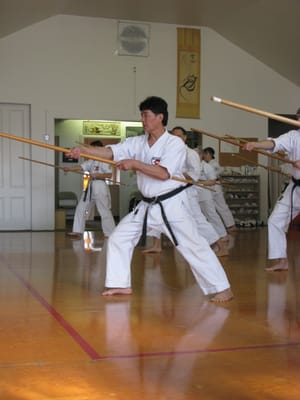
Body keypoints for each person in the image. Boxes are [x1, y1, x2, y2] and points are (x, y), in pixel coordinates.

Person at [68, 96, 233, 302]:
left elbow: (163, 173)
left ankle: (222, 288)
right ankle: (120, 284)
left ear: (160, 117)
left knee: (192, 245)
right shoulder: (137, 142)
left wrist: (135, 164)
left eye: (146, 115)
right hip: (147, 205)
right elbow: (110, 152)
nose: (142, 119)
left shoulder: (174, 144)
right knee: (120, 238)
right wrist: (85, 151)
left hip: (172, 205)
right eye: (142, 115)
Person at [243, 107, 300, 271]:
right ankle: (282, 260)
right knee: (275, 220)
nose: (298, 121)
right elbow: (275, 143)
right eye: (297, 117)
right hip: (295, 187)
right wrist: (257, 144)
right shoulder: (293, 136)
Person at [64, 140, 116, 238]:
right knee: (81, 207)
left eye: (93, 149)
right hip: (91, 185)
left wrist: (98, 175)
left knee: (104, 209)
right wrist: (69, 169)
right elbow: (81, 167)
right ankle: (77, 231)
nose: (91, 151)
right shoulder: (91, 160)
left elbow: (109, 175)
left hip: (100, 185)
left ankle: (110, 233)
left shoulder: (105, 160)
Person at [202, 147, 237, 232]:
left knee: (221, 206)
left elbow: (213, 176)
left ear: (209, 154)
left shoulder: (213, 164)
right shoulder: (209, 163)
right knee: (215, 207)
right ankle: (226, 226)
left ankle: (231, 226)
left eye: (204, 154)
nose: (203, 156)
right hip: (211, 186)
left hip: (214, 186)